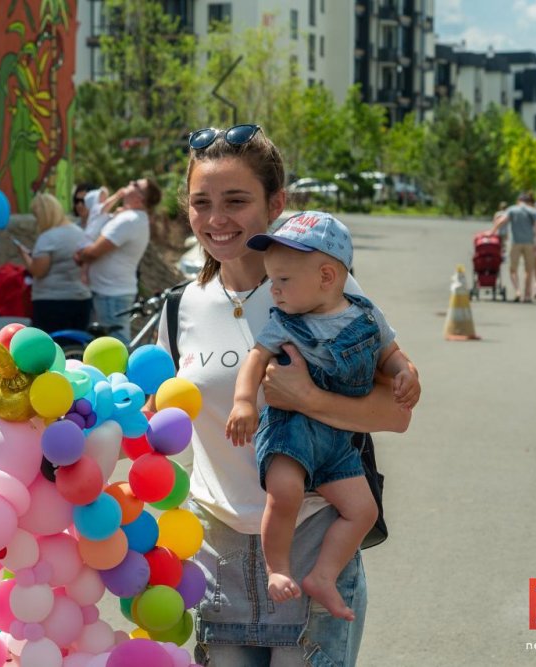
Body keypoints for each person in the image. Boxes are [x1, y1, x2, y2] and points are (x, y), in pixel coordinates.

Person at [157, 123, 417, 666]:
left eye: (236, 200)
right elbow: (160, 415)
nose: (216, 219)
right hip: (216, 548)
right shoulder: (179, 307)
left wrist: (306, 398)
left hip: (312, 538)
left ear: (276, 203)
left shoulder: (328, 290)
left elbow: (396, 412)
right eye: (201, 203)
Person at [226, 212, 419, 621]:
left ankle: (323, 576)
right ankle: (277, 568)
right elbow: (255, 360)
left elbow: (391, 354)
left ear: (328, 277)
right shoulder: (283, 322)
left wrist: (404, 373)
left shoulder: (366, 316)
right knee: (284, 494)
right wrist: (243, 401)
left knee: (363, 511)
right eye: (272, 280)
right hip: (291, 432)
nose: (273, 291)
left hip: (338, 442)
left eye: (282, 281)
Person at [74, 178, 158, 342]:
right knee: (111, 343)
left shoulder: (129, 220)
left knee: (115, 344)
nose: (131, 182)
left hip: (111, 294)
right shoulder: (131, 217)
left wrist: (79, 255)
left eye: (136, 185)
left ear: (139, 199)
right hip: (111, 292)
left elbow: (93, 252)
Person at [15, 193, 92, 333]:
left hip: (51, 301)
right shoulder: (80, 233)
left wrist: (24, 255)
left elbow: (39, 271)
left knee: (53, 348)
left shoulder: (48, 237)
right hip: (81, 299)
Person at [490, 192, 536, 303]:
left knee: (513, 269)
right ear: (528, 202)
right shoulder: (533, 211)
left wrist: (492, 232)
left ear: (518, 201)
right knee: (529, 270)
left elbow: (501, 221)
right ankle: (527, 295)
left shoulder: (512, 209)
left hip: (515, 243)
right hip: (529, 243)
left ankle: (517, 291)